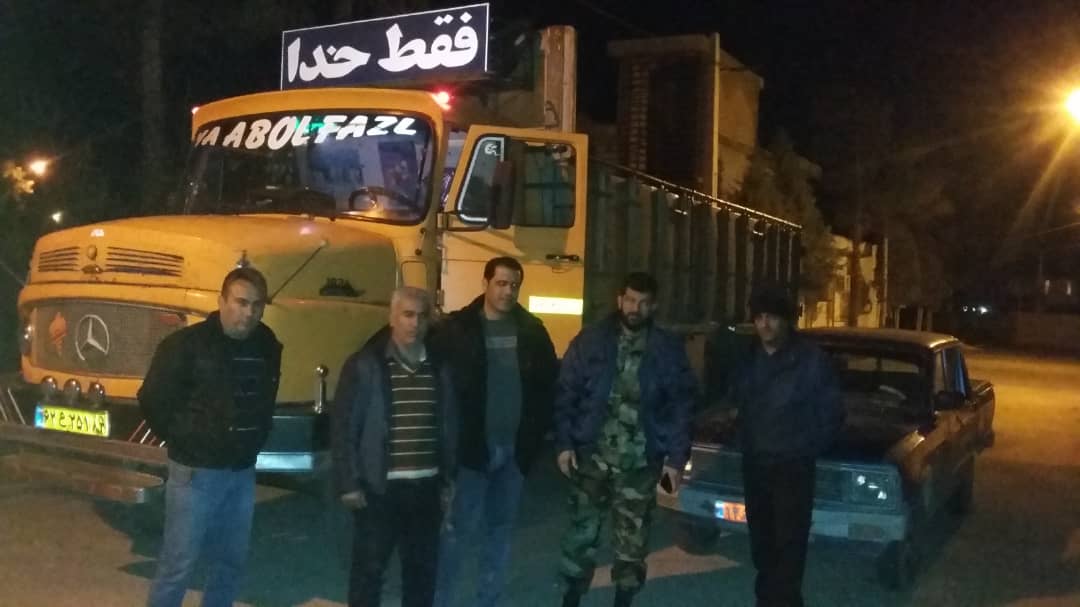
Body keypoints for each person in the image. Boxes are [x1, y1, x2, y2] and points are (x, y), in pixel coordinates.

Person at [140, 267, 282, 607]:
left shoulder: (266, 344)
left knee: (230, 563)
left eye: (257, 305)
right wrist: (184, 439)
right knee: (178, 565)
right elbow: (152, 398)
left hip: (241, 471)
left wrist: (256, 438)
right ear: (221, 301)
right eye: (241, 302)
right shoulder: (186, 345)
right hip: (196, 473)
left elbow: (266, 396)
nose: (249, 313)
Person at [554, 272, 697, 607]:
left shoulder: (666, 349)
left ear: (654, 306)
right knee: (581, 535)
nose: (635, 308)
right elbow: (566, 394)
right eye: (630, 300)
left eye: (644, 303)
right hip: (592, 457)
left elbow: (682, 406)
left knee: (632, 541)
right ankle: (571, 598)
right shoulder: (591, 341)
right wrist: (564, 444)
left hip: (640, 463)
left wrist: (676, 461)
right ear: (620, 299)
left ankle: (624, 599)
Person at [433, 256, 559, 607]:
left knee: (500, 533)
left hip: (513, 453)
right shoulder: (458, 330)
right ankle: (441, 600)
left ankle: (488, 599)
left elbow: (548, 388)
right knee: (456, 533)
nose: (507, 291)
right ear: (486, 283)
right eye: (501, 283)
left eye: (514, 285)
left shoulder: (532, 332)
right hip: (472, 453)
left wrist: (531, 444)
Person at [331, 286, 458, 607]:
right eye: (407, 315)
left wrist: (447, 478)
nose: (414, 323)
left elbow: (448, 424)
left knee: (421, 577)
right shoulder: (366, 365)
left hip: (425, 489)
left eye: (421, 316)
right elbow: (344, 426)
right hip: (380, 490)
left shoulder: (439, 367)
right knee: (369, 575)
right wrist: (348, 482)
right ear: (392, 318)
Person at [729, 283, 845, 607]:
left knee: (790, 545)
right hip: (756, 463)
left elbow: (831, 412)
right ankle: (766, 599)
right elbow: (737, 402)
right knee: (762, 543)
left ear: (786, 320)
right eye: (759, 317)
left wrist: (804, 448)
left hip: (792, 467)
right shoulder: (747, 357)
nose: (765, 324)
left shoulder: (810, 360)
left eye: (772, 317)